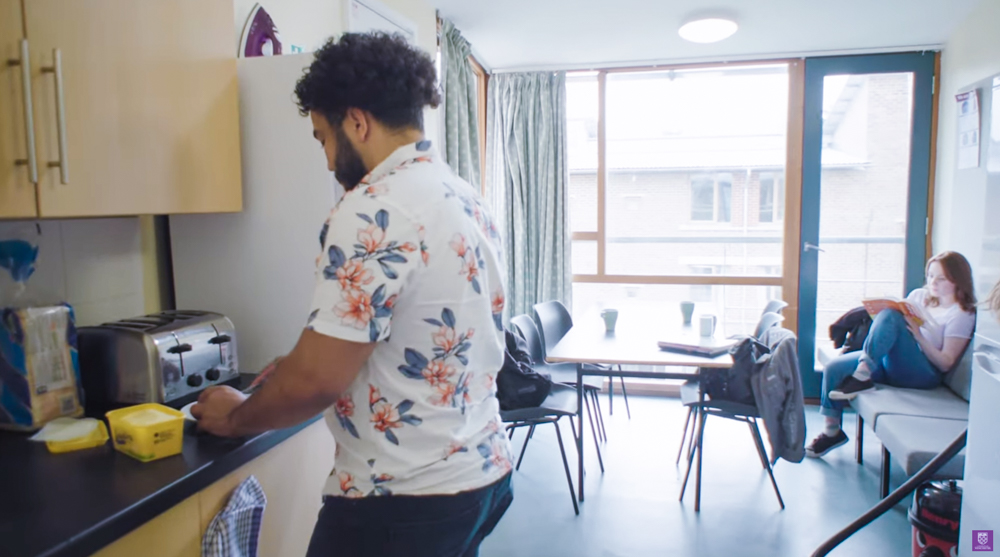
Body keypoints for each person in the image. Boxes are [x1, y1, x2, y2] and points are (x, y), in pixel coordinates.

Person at [192, 32, 513, 556]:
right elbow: (425, 333)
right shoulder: (464, 197)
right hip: (479, 475)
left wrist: (234, 416)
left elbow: (316, 381)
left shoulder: (373, 207)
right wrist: (299, 364)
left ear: (356, 122)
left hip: (401, 499)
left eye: (322, 137)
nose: (325, 160)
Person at [806, 251, 977, 458]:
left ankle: (862, 373)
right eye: (931, 275)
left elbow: (946, 364)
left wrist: (918, 336)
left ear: (958, 280)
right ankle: (832, 432)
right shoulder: (919, 296)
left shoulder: (961, 314)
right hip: (894, 363)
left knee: (891, 316)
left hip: (924, 373)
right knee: (835, 368)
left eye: (941, 278)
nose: (933, 282)